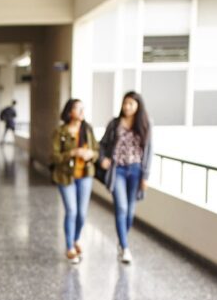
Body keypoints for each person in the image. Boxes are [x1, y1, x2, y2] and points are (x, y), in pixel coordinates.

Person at [98, 92, 152, 264]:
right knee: (121, 207)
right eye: (125, 103)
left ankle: (122, 240)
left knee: (130, 211)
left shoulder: (144, 124)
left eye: (131, 103)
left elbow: (149, 151)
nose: (127, 106)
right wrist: (102, 159)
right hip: (118, 170)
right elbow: (102, 144)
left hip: (136, 171)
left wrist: (146, 176)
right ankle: (124, 246)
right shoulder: (114, 124)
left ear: (138, 105)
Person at [50, 99, 98, 265]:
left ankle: (76, 238)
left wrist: (90, 154)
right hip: (65, 176)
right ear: (70, 111)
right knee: (71, 211)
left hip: (85, 175)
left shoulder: (88, 129)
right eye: (78, 108)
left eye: (84, 108)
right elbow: (54, 156)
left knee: (82, 213)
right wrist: (73, 153)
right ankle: (69, 247)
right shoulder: (61, 131)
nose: (82, 111)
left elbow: (97, 151)